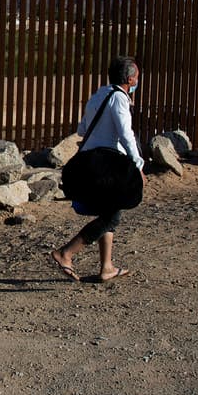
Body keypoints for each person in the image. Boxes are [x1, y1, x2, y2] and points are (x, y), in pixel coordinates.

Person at [49, 56, 145, 282]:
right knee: (112, 217)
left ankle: (107, 267)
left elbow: (82, 129)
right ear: (130, 79)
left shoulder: (99, 95)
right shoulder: (119, 98)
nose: (137, 81)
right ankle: (66, 253)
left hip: (90, 162)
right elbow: (126, 134)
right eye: (137, 78)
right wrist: (138, 165)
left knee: (109, 211)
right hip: (108, 166)